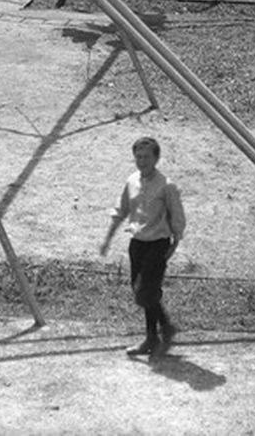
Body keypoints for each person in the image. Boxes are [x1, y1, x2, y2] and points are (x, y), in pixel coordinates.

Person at [99, 135, 187, 358]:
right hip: (137, 244)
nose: (142, 161)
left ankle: (153, 337)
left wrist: (174, 243)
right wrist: (107, 239)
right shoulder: (131, 182)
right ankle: (162, 329)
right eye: (138, 156)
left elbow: (177, 217)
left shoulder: (167, 186)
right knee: (141, 291)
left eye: (146, 157)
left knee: (146, 292)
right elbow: (121, 211)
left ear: (156, 158)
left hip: (158, 244)